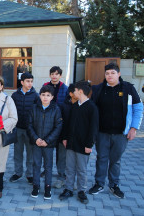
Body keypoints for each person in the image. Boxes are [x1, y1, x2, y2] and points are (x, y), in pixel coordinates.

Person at [88, 63, 143, 199]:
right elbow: (92, 109)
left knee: (115, 160)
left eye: (112, 73)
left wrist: (133, 128)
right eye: (107, 73)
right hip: (102, 133)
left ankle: (114, 185)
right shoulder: (98, 89)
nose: (109, 76)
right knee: (101, 158)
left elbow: (138, 108)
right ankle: (99, 183)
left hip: (121, 133)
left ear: (118, 74)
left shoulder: (128, 88)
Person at [59, 81, 98, 204]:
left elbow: (93, 128)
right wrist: (65, 138)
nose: (73, 93)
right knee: (69, 168)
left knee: (81, 169)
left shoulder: (92, 108)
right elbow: (69, 124)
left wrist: (89, 145)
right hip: (71, 143)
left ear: (80, 91)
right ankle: (68, 189)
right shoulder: (75, 106)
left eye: (75, 90)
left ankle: (81, 191)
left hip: (83, 145)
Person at [27, 85, 62, 199]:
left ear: (52, 97)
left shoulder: (56, 109)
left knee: (48, 166)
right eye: (43, 95)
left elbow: (58, 127)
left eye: (48, 95)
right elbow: (29, 125)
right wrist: (36, 138)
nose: (45, 97)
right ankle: (36, 186)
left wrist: (47, 140)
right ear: (40, 96)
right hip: (36, 142)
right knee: (36, 164)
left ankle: (48, 187)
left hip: (48, 144)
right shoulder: (34, 108)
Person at [9, 72, 39, 184]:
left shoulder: (36, 96)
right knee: (18, 152)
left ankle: (30, 174)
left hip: (30, 130)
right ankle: (18, 173)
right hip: (18, 129)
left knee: (30, 153)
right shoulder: (15, 95)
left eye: (31, 81)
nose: (30, 83)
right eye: (27, 81)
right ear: (22, 82)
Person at [43, 66, 68, 178]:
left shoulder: (65, 88)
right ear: (50, 75)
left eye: (56, 74)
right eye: (52, 73)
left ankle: (61, 172)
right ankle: (46, 169)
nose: (54, 76)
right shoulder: (45, 86)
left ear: (60, 76)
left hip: (60, 123)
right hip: (47, 122)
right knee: (46, 149)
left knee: (61, 151)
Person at [54, 84, 77, 188]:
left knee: (74, 159)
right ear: (71, 93)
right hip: (63, 138)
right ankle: (61, 177)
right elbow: (60, 124)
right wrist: (63, 137)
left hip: (76, 138)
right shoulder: (63, 106)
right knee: (62, 158)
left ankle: (71, 179)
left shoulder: (83, 105)